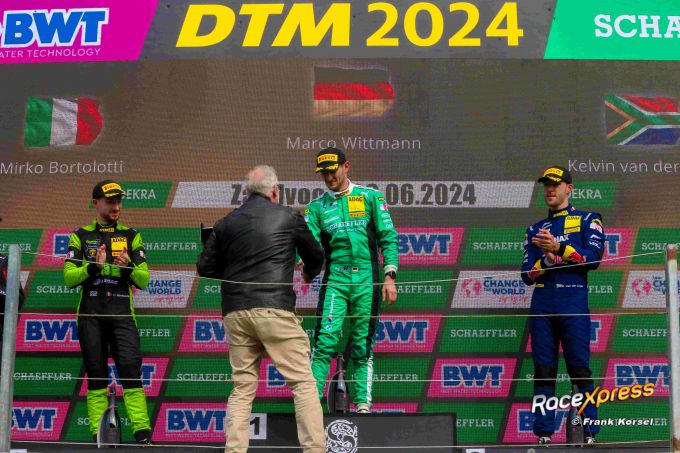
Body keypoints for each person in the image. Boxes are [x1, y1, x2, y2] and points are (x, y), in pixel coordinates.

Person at [197, 165, 326, 453]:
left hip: (235, 312)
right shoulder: (289, 216)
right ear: (275, 191)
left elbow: (204, 267)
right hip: (274, 309)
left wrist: (234, 265)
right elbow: (316, 255)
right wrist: (309, 272)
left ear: (247, 192)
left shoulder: (225, 223)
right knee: (303, 384)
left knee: (242, 389)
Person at [304, 147, 398, 413]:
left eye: (332, 171)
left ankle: (363, 406)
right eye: (323, 173)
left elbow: (388, 237)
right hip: (336, 280)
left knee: (362, 345)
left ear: (346, 167)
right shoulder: (316, 208)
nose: (328, 177)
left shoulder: (371, 197)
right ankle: (311, 407)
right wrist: (304, 263)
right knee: (324, 342)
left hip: (367, 280)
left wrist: (390, 276)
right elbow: (309, 246)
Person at [521, 166, 606, 445]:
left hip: (573, 303)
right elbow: (526, 276)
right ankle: (544, 435)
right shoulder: (535, 230)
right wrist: (546, 260)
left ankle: (590, 431)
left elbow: (593, 259)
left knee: (579, 368)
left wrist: (559, 249)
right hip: (542, 306)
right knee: (543, 370)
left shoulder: (588, 219)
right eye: (546, 184)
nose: (549, 189)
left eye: (555, 184)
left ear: (569, 188)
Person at [63, 180, 152, 445]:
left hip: (122, 315)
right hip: (90, 316)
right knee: (96, 374)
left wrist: (127, 267)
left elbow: (144, 280)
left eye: (119, 201)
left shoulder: (131, 235)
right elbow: (69, 278)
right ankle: (98, 434)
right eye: (111, 201)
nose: (116, 206)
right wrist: (93, 267)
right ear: (96, 203)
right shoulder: (80, 235)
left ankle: (142, 433)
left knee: (131, 372)